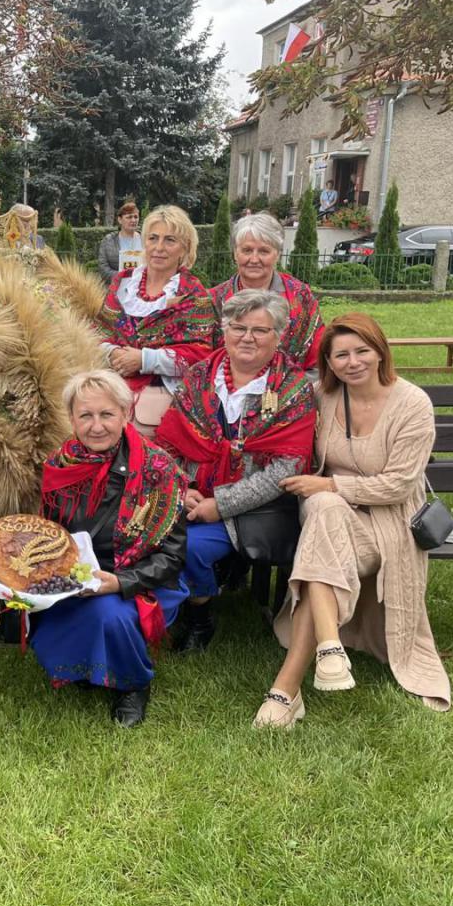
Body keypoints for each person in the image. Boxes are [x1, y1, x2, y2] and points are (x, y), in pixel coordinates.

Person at [262, 314, 452, 727]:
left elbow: (399, 487)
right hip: (328, 517)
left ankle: (287, 687)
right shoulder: (322, 397)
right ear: (328, 363)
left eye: (362, 351)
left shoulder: (412, 403)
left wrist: (331, 486)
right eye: (341, 355)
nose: (353, 362)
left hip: (389, 524)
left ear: (380, 350)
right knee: (325, 513)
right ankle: (330, 649)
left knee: (323, 525)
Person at [154, 289, 317, 653]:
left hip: (263, 510)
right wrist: (181, 488)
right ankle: (164, 611)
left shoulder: (292, 389)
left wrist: (220, 504)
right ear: (224, 331)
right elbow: (166, 446)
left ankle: (199, 617)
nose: (247, 337)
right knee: (153, 533)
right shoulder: (200, 377)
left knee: (190, 547)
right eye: (237, 327)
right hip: (196, 497)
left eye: (260, 330)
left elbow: (284, 470)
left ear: (279, 336)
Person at [37, 370, 188, 727]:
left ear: (125, 412)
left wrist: (119, 581)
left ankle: (132, 684)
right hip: (78, 576)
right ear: (72, 418)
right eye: (85, 415)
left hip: (140, 580)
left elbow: (172, 558)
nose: (96, 426)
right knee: (40, 608)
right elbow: (53, 533)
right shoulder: (62, 463)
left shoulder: (158, 470)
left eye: (106, 414)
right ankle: (87, 665)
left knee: (108, 614)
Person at [99, 204, 216, 435]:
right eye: (153, 238)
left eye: (170, 240)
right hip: (113, 390)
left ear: (184, 248)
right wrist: (112, 353)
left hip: (163, 403)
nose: (159, 248)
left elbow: (201, 354)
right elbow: (99, 332)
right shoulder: (123, 282)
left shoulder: (193, 293)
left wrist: (145, 359)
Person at [210, 212, 324, 371]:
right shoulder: (213, 300)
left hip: (291, 390)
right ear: (235, 254)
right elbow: (203, 361)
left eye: (264, 251)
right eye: (247, 250)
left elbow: (318, 358)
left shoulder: (300, 296)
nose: (254, 259)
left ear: (277, 254)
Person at [97, 201, 143, 278]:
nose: (133, 220)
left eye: (136, 217)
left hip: (141, 287)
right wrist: (121, 276)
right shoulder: (108, 241)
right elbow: (103, 268)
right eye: (129, 217)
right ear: (120, 219)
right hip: (116, 287)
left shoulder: (146, 239)